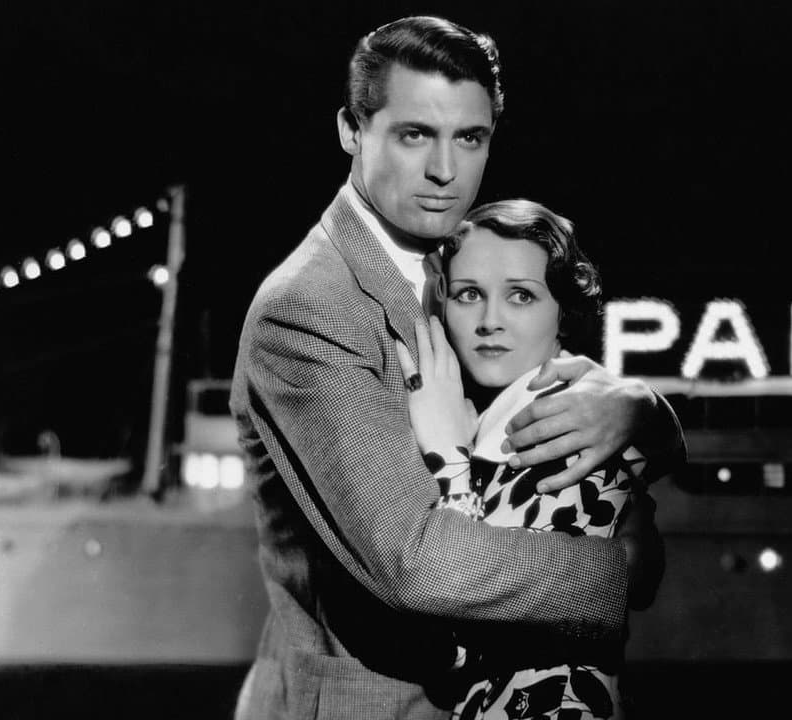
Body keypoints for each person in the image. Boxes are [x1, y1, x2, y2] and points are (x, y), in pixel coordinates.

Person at [228, 16, 682, 720]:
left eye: (470, 138)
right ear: (352, 131)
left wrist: (643, 410)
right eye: (415, 135)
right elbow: (417, 562)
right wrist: (619, 573)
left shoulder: (460, 260)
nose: (445, 171)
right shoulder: (310, 307)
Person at [399, 199, 653, 720]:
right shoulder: (495, 419)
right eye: (469, 294)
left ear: (564, 311)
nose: (490, 321)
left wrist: (450, 463)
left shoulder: (572, 427)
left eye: (521, 295)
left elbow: (453, 636)